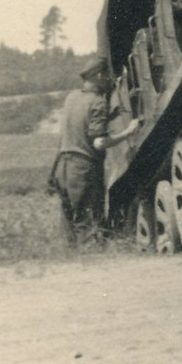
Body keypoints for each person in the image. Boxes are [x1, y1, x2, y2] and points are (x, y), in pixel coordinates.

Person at [49, 58, 139, 248]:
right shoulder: (98, 102)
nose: (109, 80)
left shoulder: (71, 98)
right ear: (99, 76)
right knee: (89, 228)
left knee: (70, 232)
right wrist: (128, 132)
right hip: (83, 170)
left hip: (62, 168)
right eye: (107, 76)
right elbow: (99, 142)